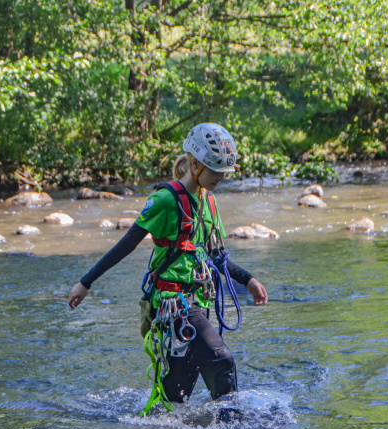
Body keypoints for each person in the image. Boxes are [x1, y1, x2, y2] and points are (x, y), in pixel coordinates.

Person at [68, 123, 268, 411]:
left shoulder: (209, 202)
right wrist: (85, 282)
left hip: (197, 301)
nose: (222, 178)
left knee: (176, 395)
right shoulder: (165, 200)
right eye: (217, 171)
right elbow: (127, 243)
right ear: (196, 165)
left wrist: (247, 280)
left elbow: (215, 256)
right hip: (172, 304)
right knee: (222, 360)